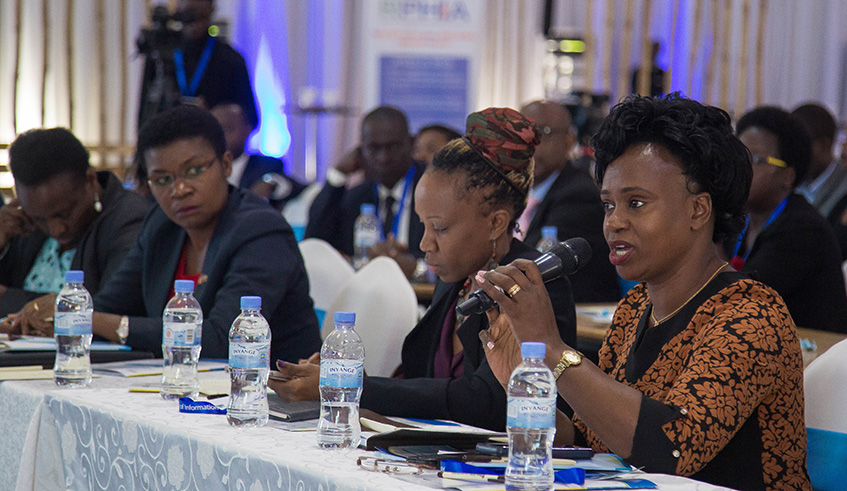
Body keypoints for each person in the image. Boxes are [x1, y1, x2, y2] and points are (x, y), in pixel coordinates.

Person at [478, 95, 811, 490]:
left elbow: (672, 447)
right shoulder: (636, 306)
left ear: (698, 211)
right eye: (607, 205)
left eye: (636, 203)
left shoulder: (752, 317)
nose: (614, 222)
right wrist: (526, 380)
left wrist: (552, 349)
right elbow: (593, 439)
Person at [271, 107, 576, 431]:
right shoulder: (457, 280)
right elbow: (422, 380)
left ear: (496, 223)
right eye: (423, 226)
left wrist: (357, 388)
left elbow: (487, 401)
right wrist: (342, 374)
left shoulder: (532, 284)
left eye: (440, 229)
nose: (425, 244)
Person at [8, 106, 322, 363]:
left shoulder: (260, 231)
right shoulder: (163, 225)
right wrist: (52, 318)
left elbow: (225, 340)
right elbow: (107, 305)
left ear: (226, 164)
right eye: (162, 179)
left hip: (271, 404)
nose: (179, 189)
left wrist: (94, 320)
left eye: (194, 171)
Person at [0, 128, 147, 317]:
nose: (56, 229)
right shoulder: (25, 222)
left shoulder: (129, 219)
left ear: (90, 180)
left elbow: (108, 309)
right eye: (40, 219)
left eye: (65, 213)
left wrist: (7, 298)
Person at [730, 106, 847, 333]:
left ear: (788, 175)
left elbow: (740, 297)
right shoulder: (738, 220)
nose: (741, 167)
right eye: (738, 155)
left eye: (755, 158)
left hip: (815, 359)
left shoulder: (803, 230)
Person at [518, 100, 620, 302]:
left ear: (568, 140)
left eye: (543, 132)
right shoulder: (517, 194)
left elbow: (529, 264)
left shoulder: (579, 196)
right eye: (522, 133)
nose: (531, 145)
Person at [306, 106, 425, 278]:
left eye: (392, 147)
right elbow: (315, 242)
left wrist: (416, 267)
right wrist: (338, 175)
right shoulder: (356, 197)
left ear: (411, 143)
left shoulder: (430, 189)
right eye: (374, 148)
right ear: (361, 149)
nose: (383, 158)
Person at [138, 0, 257, 130]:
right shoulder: (159, 55)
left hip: (210, 140)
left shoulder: (230, 60)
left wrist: (215, 118)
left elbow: (251, 119)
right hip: (167, 139)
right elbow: (143, 117)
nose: (194, 23)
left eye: (200, 16)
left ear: (211, 8)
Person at [210, 102, 305, 210]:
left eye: (227, 129)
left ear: (247, 130)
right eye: (214, 131)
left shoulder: (267, 165)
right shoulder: (202, 168)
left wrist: (271, 183)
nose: (220, 137)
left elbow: (295, 188)